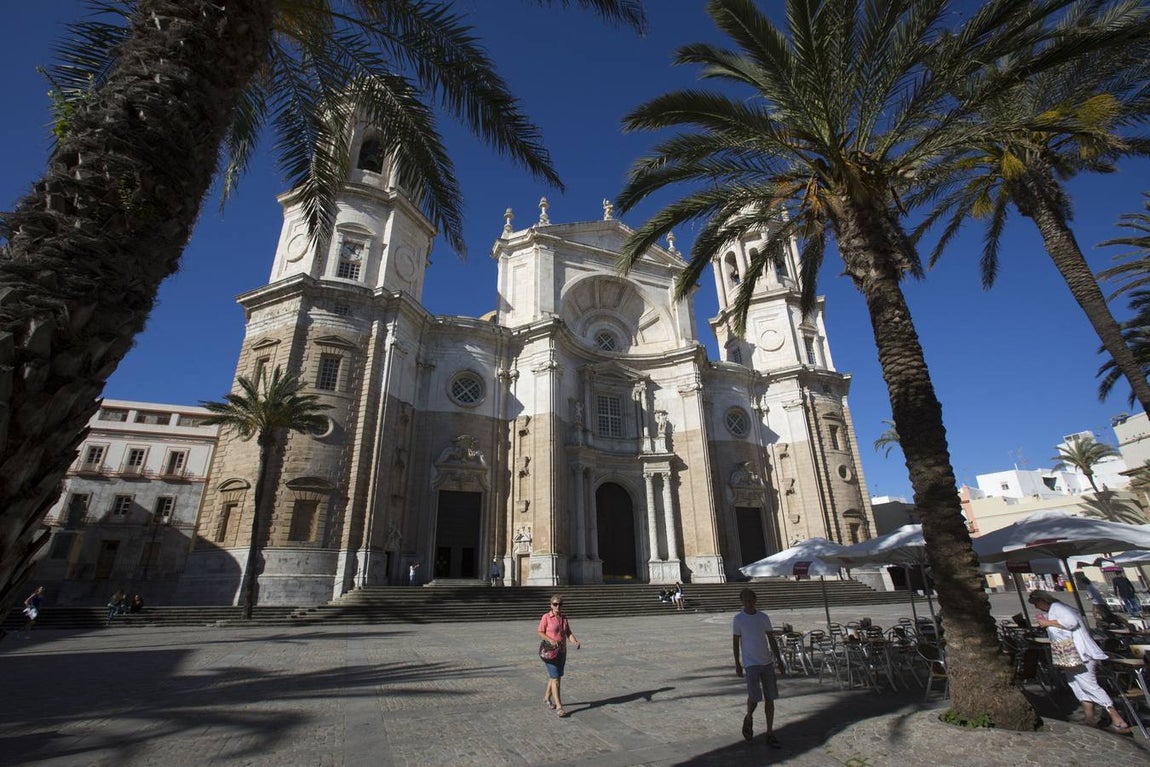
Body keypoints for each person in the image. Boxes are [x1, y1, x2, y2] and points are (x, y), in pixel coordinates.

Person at [1028, 589, 1131, 733]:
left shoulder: (1058, 607)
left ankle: (1118, 720)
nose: (1037, 607)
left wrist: (1047, 622)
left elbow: (1071, 622)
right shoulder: (1056, 609)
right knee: (1078, 685)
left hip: (1080, 653)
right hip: (1071, 656)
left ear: (1042, 600)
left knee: (1090, 686)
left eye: (1036, 604)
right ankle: (1090, 719)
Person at [733, 588, 785, 747]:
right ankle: (749, 716)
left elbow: (771, 639)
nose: (748, 603)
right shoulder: (738, 619)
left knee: (770, 698)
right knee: (754, 697)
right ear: (742, 602)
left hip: (766, 662)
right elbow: (735, 642)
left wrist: (779, 660)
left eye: (750, 600)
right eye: (745, 600)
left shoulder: (763, 617)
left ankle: (769, 732)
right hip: (750, 664)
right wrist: (737, 663)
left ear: (755, 600)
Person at [538, 594, 581, 718]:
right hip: (550, 652)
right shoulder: (546, 617)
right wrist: (550, 639)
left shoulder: (563, 618)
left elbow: (568, 632)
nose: (557, 606)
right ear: (551, 605)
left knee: (555, 677)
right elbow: (540, 632)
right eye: (555, 604)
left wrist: (575, 641)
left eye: (560, 604)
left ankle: (546, 698)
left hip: (562, 652)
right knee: (556, 678)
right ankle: (559, 707)